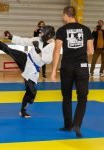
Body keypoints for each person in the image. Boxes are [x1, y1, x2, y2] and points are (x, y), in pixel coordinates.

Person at [0, 25, 55, 118]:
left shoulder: (53, 45)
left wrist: (39, 51)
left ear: (48, 35)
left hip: (33, 68)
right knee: (10, 50)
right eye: (40, 33)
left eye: (42, 33)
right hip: (26, 59)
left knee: (31, 91)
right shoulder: (38, 39)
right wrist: (11, 37)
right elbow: (24, 41)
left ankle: (23, 110)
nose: (40, 34)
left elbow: (48, 60)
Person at [51, 6, 93, 137]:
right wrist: (82, 53)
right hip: (82, 66)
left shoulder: (61, 30)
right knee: (82, 97)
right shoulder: (86, 29)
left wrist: (53, 71)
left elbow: (57, 51)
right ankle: (77, 124)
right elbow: (91, 51)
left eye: (62, 15)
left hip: (67, 66)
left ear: (65, 15)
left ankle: (68, 125)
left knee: (67, 97)